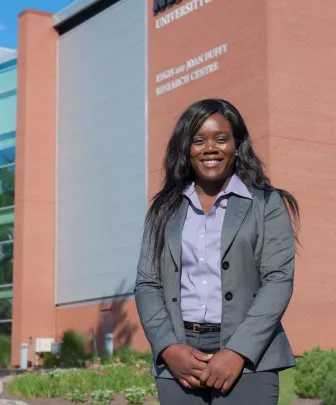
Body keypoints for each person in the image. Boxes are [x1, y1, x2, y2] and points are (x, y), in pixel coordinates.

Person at [134, 98, 299, 405]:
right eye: (198, 140)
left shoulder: (266, 204)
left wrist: (239, 351)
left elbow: (278, 280)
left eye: (221, 139)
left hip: (251, 357)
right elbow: (147, 284)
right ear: (185, 149)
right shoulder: (162, 211)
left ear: (237, 145)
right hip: (180, 361)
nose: (210, 148)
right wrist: (168, 347)